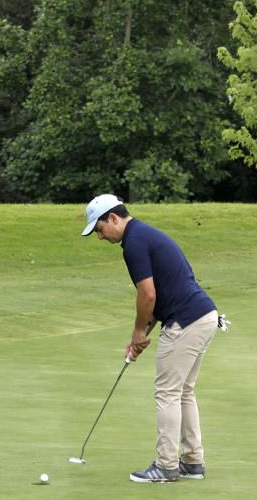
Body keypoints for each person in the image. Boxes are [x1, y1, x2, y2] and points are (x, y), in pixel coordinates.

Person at [81, 194, 219, 483]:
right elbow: (158, 297)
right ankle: (192, 462)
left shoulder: (134, 244)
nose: (99, 237)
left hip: (186, 320)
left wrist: (136, 331)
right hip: (203, 315)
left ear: (114, 218)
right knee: (182, 392)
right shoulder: (144, 235)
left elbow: (148, 295)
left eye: (100, 229)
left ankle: (166, 466)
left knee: (168, 392)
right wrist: (142, 334)